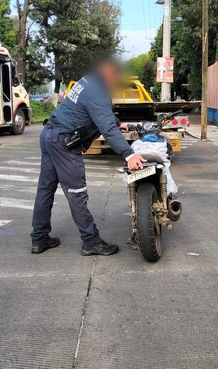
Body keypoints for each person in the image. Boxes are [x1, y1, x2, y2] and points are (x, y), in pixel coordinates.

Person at [30, 58, 146, 256]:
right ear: (109, 73)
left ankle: (39, 238)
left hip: (50, 134)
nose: (115, 83)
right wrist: (128, 154)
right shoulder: (97, 90)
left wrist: (119, 123)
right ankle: (91, 241)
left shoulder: (88, 81)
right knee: (77, 193)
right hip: (63, 142)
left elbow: (96, 113)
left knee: (45, 189)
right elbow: (106, 125)